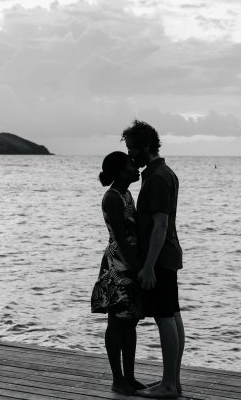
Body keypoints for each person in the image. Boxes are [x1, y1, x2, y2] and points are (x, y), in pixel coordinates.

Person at [122, 120, 184, 399]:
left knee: (164, 317)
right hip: (167, 253)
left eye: (133, 148)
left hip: (159, 256)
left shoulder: (158, 177)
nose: (130, 154)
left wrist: (148, 266)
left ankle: (169, 384)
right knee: (172, 316)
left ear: (146, 146)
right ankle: (172, 381)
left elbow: (160, 224)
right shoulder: (161, 173)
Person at [91, 151, 147, 395]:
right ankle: (118, 379)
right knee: (116, 322)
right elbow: (121, 240)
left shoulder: (126, 193)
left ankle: (130, 377)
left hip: (130, 261)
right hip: (118, 264)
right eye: (130, 165)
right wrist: (138, 269)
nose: (136, 168)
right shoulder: (112, 197)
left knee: (131, 321)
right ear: (121, 171)